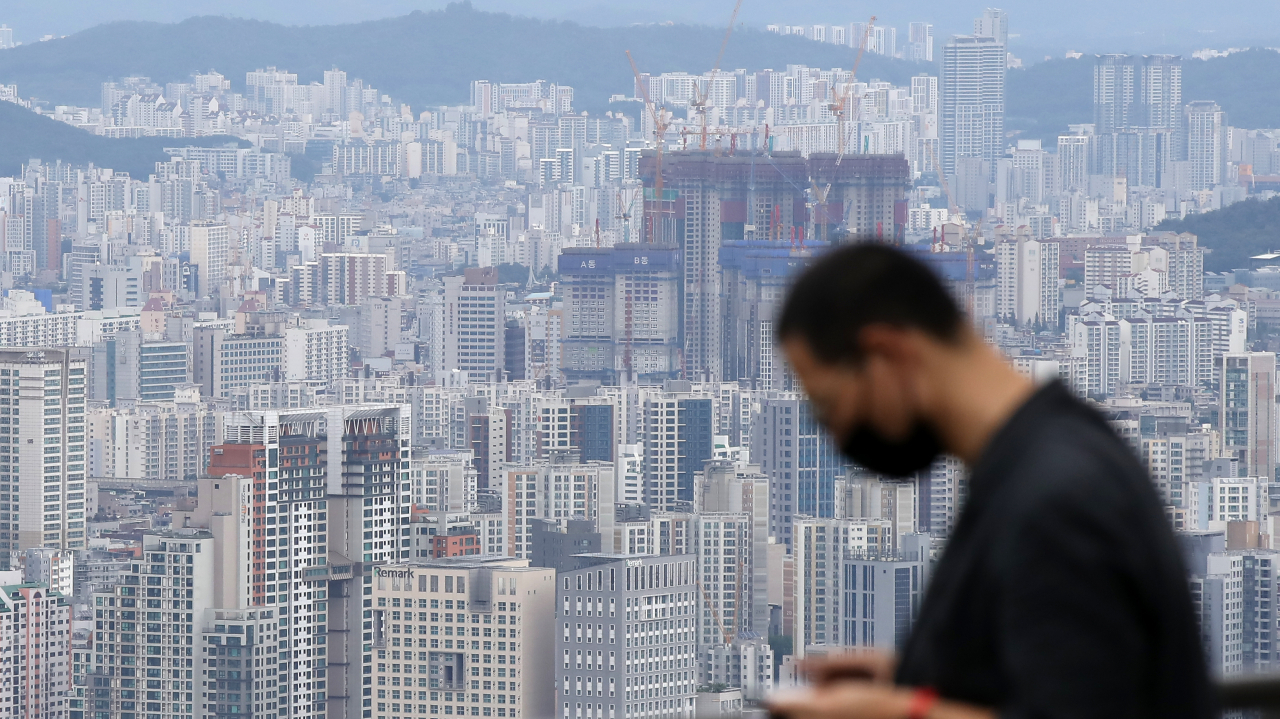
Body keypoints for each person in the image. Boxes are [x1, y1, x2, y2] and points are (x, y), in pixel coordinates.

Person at [765, 243, 1213, 719]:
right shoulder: (1048, 453)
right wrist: (914, 676)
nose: (834, 435)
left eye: (828, 405)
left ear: (886, 352)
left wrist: (897, 713)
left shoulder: (1056, 501)